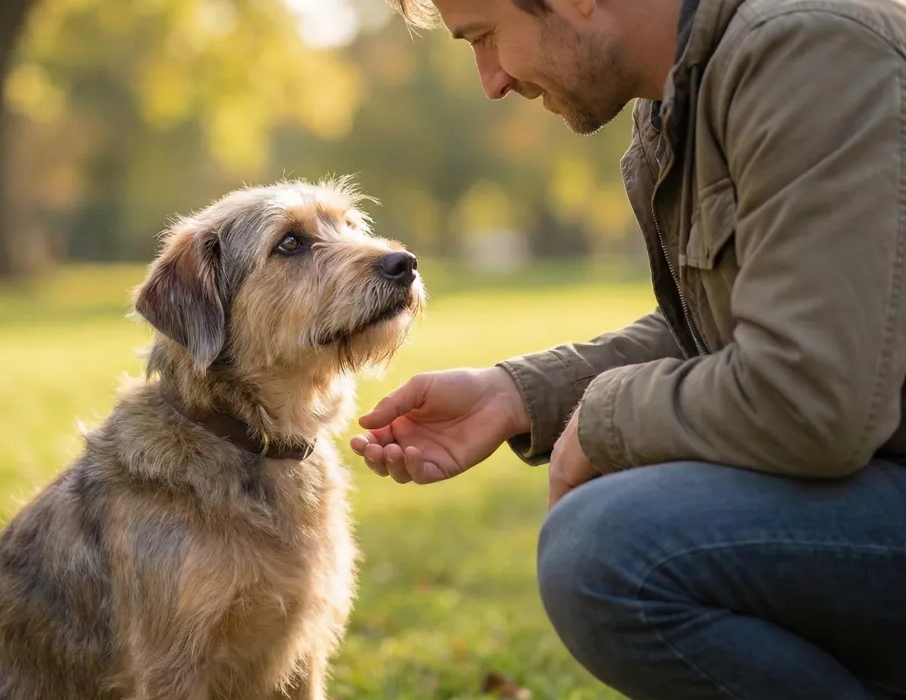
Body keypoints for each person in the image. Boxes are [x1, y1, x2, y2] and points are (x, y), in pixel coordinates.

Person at [351, 0, 906, 697]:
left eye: (486, 38)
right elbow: (720, 327)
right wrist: (516, 394)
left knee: (611, 548)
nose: (490, 81)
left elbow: (809, 396)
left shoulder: (807, 51)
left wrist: (608, 417)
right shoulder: (683, 96)